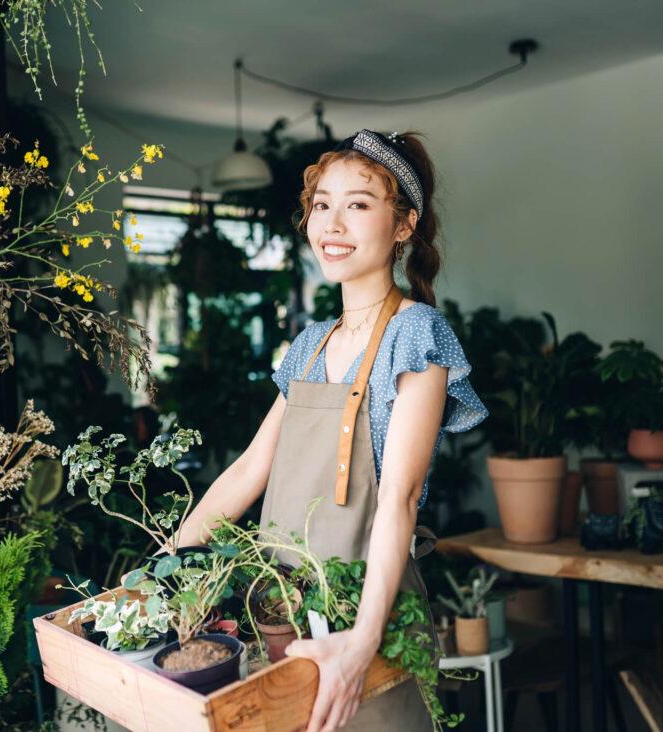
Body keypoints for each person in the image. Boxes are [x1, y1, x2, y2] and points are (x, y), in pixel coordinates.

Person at [174, 129, 489, 731]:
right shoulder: (307, 346)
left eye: (359, 204)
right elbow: (248, 470)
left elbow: (396, 496)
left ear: (404, 227)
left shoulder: (414, 334)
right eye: (322, 204)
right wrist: (169, 566)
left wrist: (360, 644)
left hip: (366, 611)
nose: (332, 223)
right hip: (280, 610)